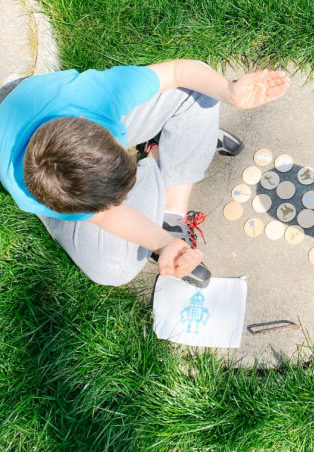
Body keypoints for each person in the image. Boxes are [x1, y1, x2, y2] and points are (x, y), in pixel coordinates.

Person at [0, 61, 288, 287]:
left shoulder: (97, 97)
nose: (124, 196)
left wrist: (229, 91)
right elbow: (104, 214)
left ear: (87, 121)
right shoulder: (35, 191)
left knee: (201, 87)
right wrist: (161, 243)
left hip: (57, 107)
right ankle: (166, 149)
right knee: (113, 269)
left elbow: (181, 70)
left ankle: (172, 207)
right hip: (55, 139)